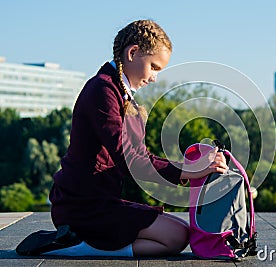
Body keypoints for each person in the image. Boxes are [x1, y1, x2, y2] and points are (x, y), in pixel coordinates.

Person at [43, 20, 228, 257]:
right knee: (175, 237)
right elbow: (129, 159)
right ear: (133, 53)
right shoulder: (102, 90)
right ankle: (78, 247)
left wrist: (190, 169)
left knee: (181, 232)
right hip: (81, 206)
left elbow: (140, 156)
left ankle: (86, 243)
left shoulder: (119, 92)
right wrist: (191, 171)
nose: (154, 78)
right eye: (154, 67)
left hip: (99, 200)